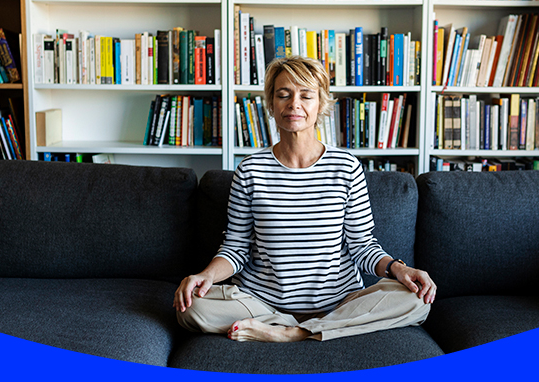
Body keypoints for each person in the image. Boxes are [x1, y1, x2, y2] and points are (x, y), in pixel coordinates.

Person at [174, 56, 436, 342]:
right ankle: (308, 328)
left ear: (320, 104)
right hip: (263, 303)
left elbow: (362, 247)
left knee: (417, 300)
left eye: (306, 95)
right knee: (191, 308)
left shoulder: (346, 166)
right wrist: (207, 276)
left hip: (338, 303)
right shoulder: (250, 170)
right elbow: (236, 248)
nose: (293, 104)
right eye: (283, 94)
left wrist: (399, 268)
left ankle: (292, 333)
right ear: (271, 104)